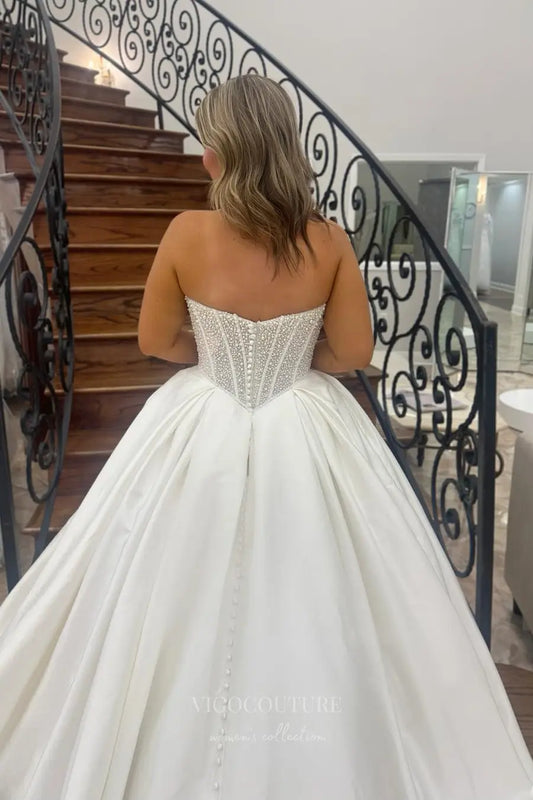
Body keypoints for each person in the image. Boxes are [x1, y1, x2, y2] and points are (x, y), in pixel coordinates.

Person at [0, 74, 532, 800]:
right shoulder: (327, 239)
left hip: (202, 413)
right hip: (304, 416)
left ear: (218, 154)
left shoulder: (187, 232)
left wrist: (218, 354)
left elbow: (154, 339)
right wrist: (291, 356)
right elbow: (352, 352)